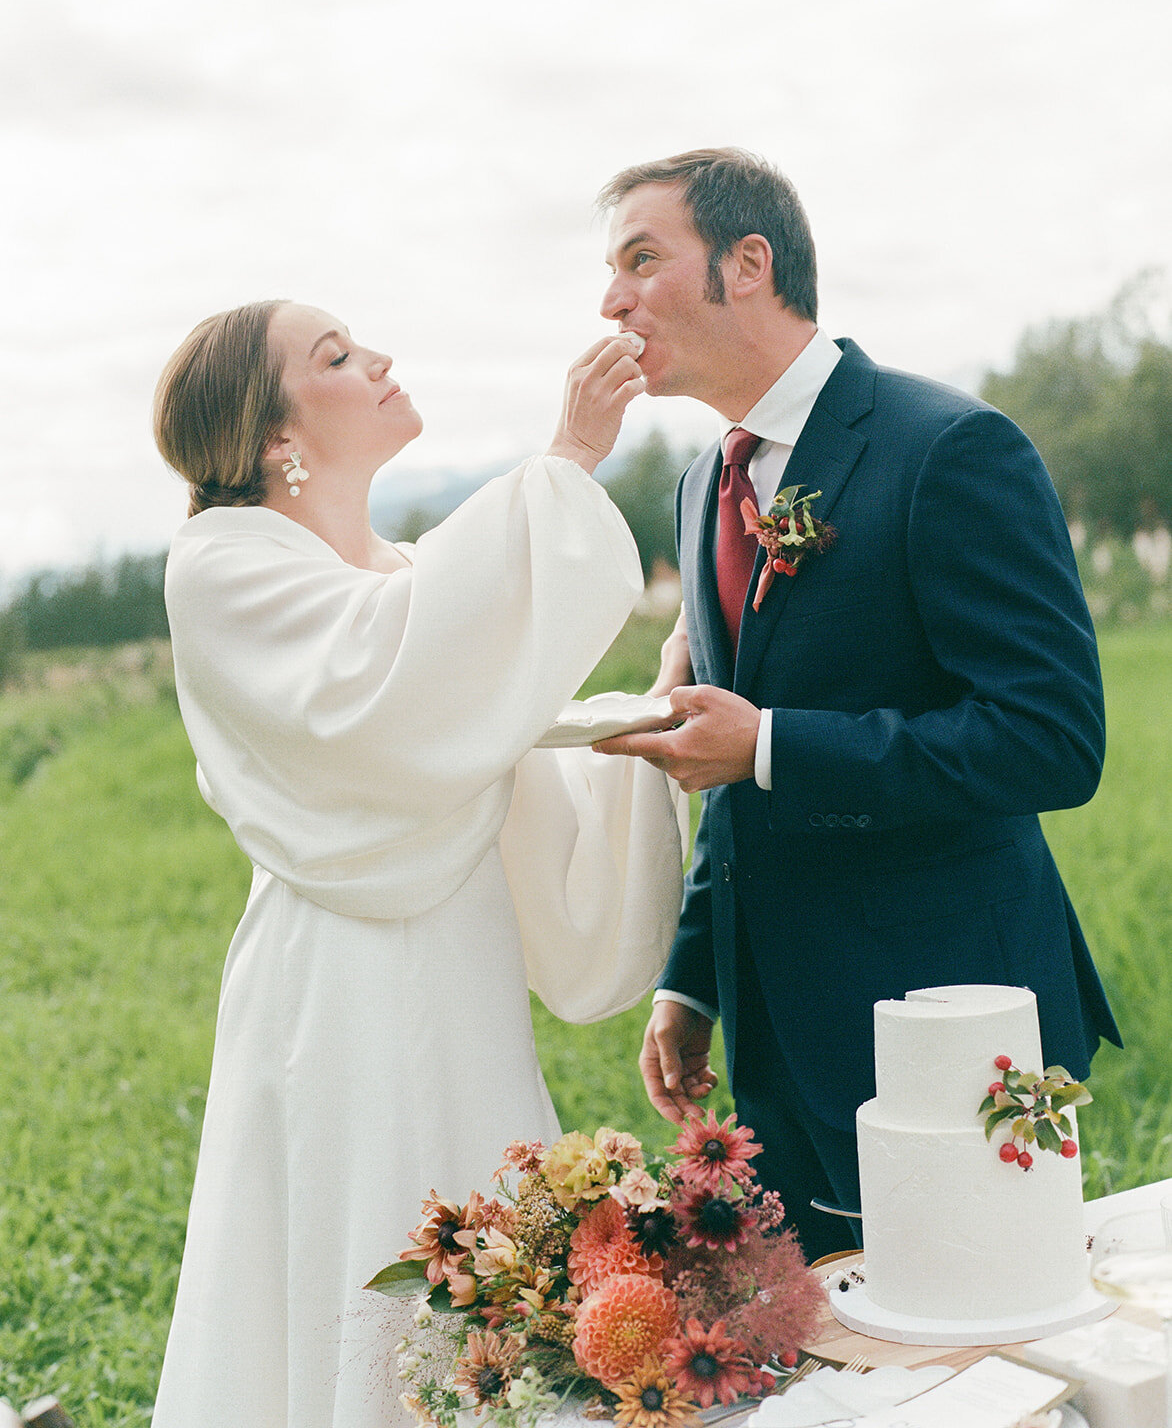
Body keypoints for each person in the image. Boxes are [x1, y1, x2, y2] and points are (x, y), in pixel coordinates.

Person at [150, 301, 686, 1427]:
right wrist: (566, 464)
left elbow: (472, 713)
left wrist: (641, 716)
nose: (379, 359)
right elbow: (392, 691)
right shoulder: (218, 566)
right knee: (369, 1244)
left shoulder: (387, 565)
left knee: (485, 1249)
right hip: (340, 988)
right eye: (336, 357)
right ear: (270, 438)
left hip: (459, 965)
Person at [593, 148, 1121, 1261]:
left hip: (950, 1019)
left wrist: (775, 743)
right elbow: (722, 744)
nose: (613, 300)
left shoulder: (948, 450)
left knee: (981, 1359)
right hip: (774, 1026)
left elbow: (1051, 741)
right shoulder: (701, 488)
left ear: (748, 262)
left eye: (642, 259)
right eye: (610, 271)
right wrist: (689, 977)